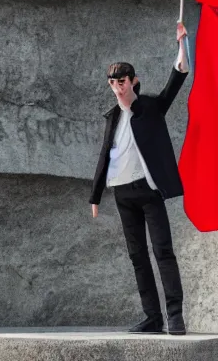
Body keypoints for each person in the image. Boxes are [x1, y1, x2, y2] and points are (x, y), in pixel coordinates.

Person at [89, 23, 190, 335]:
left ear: (134, 81)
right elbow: (106, 153)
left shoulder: (151, 107)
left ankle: (175, 316)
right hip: (122, 193)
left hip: (148, 190)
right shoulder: (113, 116)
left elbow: (177, 78)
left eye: (123, 81)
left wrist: (182, 46)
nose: (118, 87)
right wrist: (94, 196)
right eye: (113, 83)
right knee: (137, 257)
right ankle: (152, 317)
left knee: (163, 251)